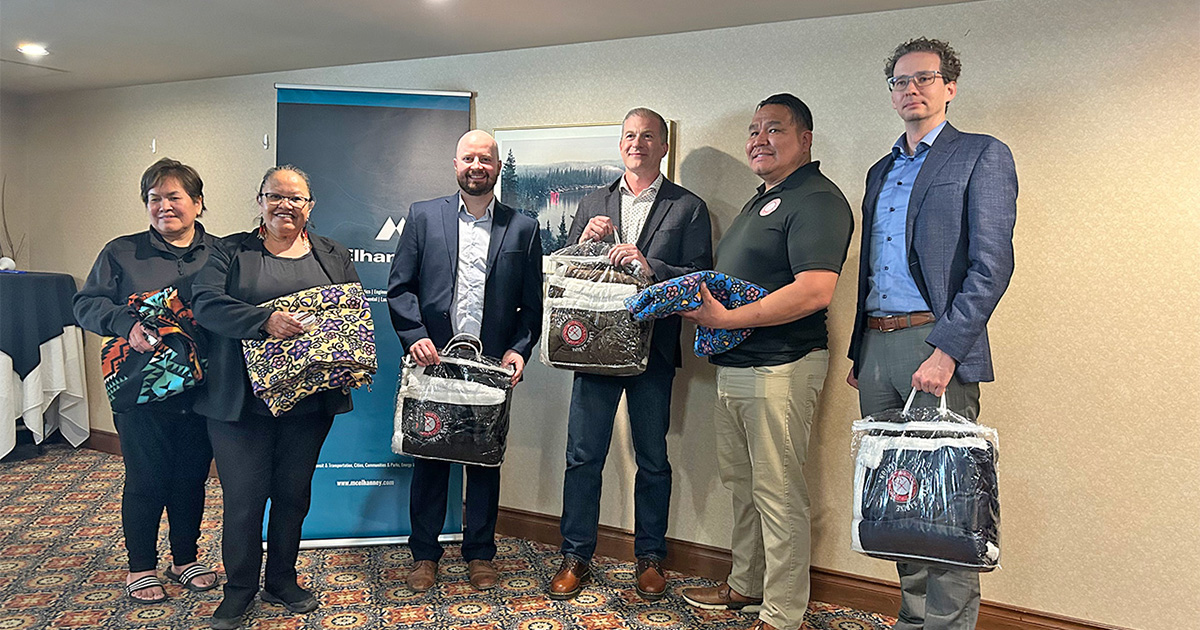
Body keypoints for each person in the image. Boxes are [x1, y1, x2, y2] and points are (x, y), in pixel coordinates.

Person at [846, 37, 1017, 630]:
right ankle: (912, 619)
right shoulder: (881, 169)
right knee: (896, 502)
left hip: (935, 346)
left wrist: (948, 349)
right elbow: (871, 268)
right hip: (877, 346)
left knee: (946, 509)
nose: (910, 89)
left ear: (949, 86)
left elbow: (992, 265)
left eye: (924, 78)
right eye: (899, 81)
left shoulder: (981, 155)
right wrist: (859, 352)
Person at [679, 94, 853, 630]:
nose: (759, 138)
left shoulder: (818, 199)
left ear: (805, 139)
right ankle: (745, 585)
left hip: (781, 366)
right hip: (738, 367)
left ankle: (782, 614)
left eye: (774, 129)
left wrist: (724, 320)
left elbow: (814, 291)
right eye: (753, 130)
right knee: (743, 484)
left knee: (778, 494)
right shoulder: (765, 199)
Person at [548, 108, 712, 601]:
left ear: (664, 147)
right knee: (583, 456)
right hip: (595, 347)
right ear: (620, 145)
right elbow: (570, 270)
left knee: (653, 459)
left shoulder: (689, 207)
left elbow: (699, 278)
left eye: (647, 137)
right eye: (628, 137)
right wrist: (583, 241)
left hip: (654, 351)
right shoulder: (594, 200)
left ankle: (651, 558)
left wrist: (649, 263)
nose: (636, 144)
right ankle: (575, 555)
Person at [192, 165, 362, 629]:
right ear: (260, 200)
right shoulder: (228, 252)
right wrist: (264, 320)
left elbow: (351, 313)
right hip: (241, 403)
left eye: (296, 198)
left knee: (293, 495)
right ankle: (240, 590)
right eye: (275, 196)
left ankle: (282, 581)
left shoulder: (332, 254)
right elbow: (204, 305)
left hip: (308, 403)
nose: (285, 205)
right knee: (245, 499)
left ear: (311, 205)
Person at [388, 130, 543, 593]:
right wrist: (414, 336)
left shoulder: (523, 227)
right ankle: (424, 555)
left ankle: (480, 554)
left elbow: (531, 307)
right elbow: (400, 288)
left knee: (485, 461)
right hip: (433, 362)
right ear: (455, 164)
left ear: (497, 167)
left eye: (486, 159)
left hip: (491, 368)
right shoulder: (422, 216)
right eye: (469, 158)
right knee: (431, 460)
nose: (478, 166)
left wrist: (519, 348)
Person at [74, 158, 220, 604]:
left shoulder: (221, 252)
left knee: (191, 478)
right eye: (154, 199)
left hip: (205, 388)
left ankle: (184, 558)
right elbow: (85, 305)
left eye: (174, 197)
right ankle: (141, 566)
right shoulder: (121, 252)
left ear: (197, 203)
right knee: (145, 478)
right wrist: (124, 323)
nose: (164, 206)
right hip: (140, 389)